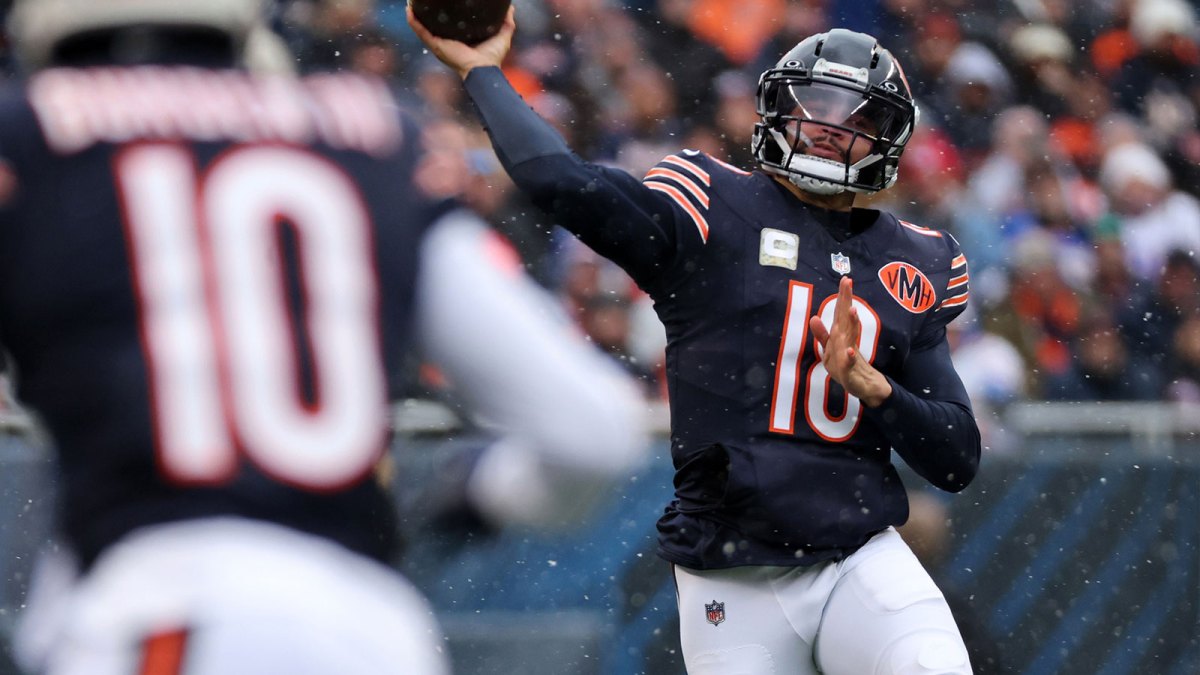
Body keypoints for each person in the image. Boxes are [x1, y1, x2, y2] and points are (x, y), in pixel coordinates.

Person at [1, 1, 650, 673]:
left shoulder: (32, 140)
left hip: (162, 611)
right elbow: (593, 429)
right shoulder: (371, 134)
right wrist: (484, 489)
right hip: (367, 626)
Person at [412, 9, 982, 674]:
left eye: (858, 116)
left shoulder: (915, 261)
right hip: (732, 579)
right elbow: (561, 181)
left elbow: (956, 457)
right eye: (817, 104)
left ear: (888, 138)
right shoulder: (714, 205)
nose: (832, 127)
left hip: (860, 557)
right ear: (777, 108)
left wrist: (877, 390)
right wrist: (482, 71)